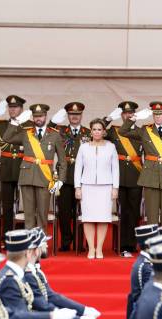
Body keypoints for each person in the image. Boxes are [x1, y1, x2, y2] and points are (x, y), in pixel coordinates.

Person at [1, 103, 66, 231]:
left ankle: (40, 248)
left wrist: (60, 181)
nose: (38, 119)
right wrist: (16, 122)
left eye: (41, 116)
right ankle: (30, 248)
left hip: (45, 178)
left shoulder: (55, 135)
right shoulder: (26, 133)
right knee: (29, 216)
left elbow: (62, 161)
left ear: (46, 116)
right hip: (27, 177)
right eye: (36, 116)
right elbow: (6, 138)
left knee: (42, 216)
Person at [119, 101, 162, 225]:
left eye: (160, 114)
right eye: (155, 114)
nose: (158, 117)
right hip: (150, 178)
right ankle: (153, 244)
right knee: (152, 218)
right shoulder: (145, 130)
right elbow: (123, 131)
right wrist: (134, 118)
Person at [0, 95, 32, 242]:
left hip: (26, 165)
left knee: (29, 203)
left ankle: (26, 235)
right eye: (10, 107)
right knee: (7, 205)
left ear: (21, 109)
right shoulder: (0, 124)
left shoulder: (29, 124)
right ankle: (7, 236)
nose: (12, 110)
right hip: (7, 166)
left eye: (15, 107)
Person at [74, 118, 119, 259]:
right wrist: (77, 187)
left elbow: (115, 169)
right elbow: (77, 168)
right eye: (94, 129)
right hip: (87, 187)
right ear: (91, 131)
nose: (97, 132)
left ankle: (99, 248)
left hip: (105, 187)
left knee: (103, 218)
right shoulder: (83, 147)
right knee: (88, 218)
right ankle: (91, 248)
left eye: (99, 129)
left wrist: (115, 187)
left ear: (104, 131)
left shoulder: (111, 147)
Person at [48, 102, 91, 251]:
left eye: (77, 114)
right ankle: (66, 241)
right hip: (63, 176)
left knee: (82, 212)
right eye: (72, 114)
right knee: (64, 212)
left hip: (83, 177)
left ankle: (80, 242)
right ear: (68, 115)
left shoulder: (88, 132)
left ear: (81, 115)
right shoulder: (59, 131)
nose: (74, 117)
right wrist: (53, 121)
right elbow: (45, 131)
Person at [103, 101, 143, 257]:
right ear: (121, 115)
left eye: (130, 113)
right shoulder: (114, 131)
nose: (127, 116)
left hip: (136, 176)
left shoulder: (141, 132)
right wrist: (107, 119)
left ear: (135, 115)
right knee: (122, 212)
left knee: (134, 213)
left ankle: (132, 244)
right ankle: (121, 244)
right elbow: (95, 132)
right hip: (118, 176)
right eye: (125, 113)